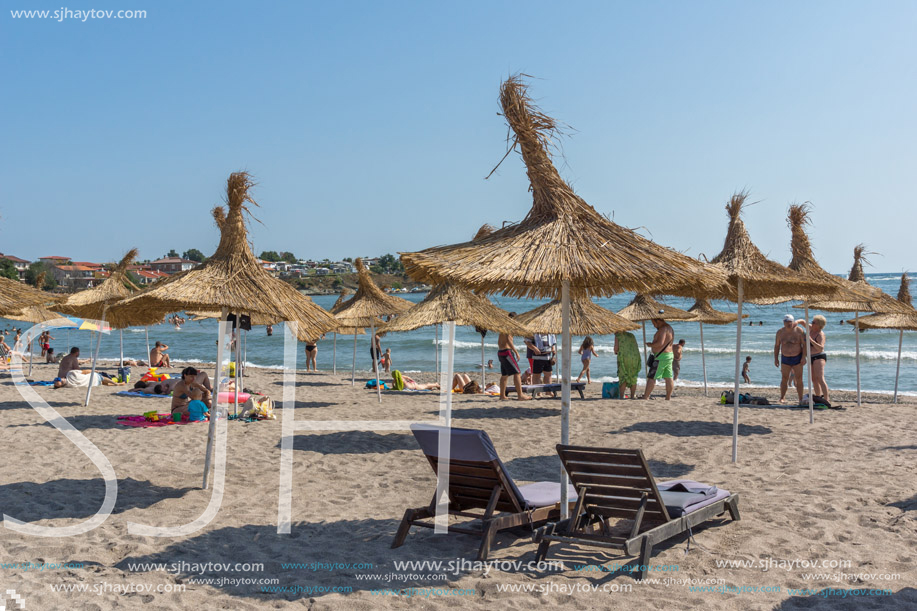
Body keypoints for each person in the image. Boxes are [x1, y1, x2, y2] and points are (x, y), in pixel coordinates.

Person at [497, 313, 531, 401]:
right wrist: (516, 352)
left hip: (500, 352)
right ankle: (520, 395)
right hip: (507, 352)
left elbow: (499, 341)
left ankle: (502, 396)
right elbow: (508, 339)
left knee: (505, 375)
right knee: (517, 373)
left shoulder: (503, 327)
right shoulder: (509, 327)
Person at [774, 314, 806, 404]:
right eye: (786, 322)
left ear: (793, 322)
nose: (788, 324)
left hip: (797, 357)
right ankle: (782, 397)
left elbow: (804, 345)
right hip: (785, 358)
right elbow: (777, 346)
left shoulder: (799, 331)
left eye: (790, 322)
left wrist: (804, 357)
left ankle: (800, 398)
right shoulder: (780, 332)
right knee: (784, 378)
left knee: (799, 378)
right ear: (783, 322)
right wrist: (776, 358)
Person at [798, 314, 829, 403]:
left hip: (819, 356)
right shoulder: (811, 328)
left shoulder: (820, 334)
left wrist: (811, 340)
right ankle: (819, 397)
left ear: (819, 324)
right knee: (813, 379)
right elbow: (803, 322)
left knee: (820, 378)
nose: (812, 323)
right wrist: (796, 322)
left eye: (813, 322)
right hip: (810, 357)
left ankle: (827, 399)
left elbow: (820, 348)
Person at [642, 317, 675, 400]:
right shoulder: (670, 328)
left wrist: (650, 345)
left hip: (661, 356)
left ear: (658, 321)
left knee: (652, 377)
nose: (653, 325)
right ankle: (668, 397)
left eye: (653, 323)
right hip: (669, 355)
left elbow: (660, 343)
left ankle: (646, 396)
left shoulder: (663, 329)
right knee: (668, 377)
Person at [614, 331, 641, 399]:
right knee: (633, 376)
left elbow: (616, 348)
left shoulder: (618, 335)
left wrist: (615, 351)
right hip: (635, 358)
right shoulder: (631, 335)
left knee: (623, 377)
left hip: (624, 358)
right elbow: (635, 347)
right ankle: (632, 396)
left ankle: (621, 396)